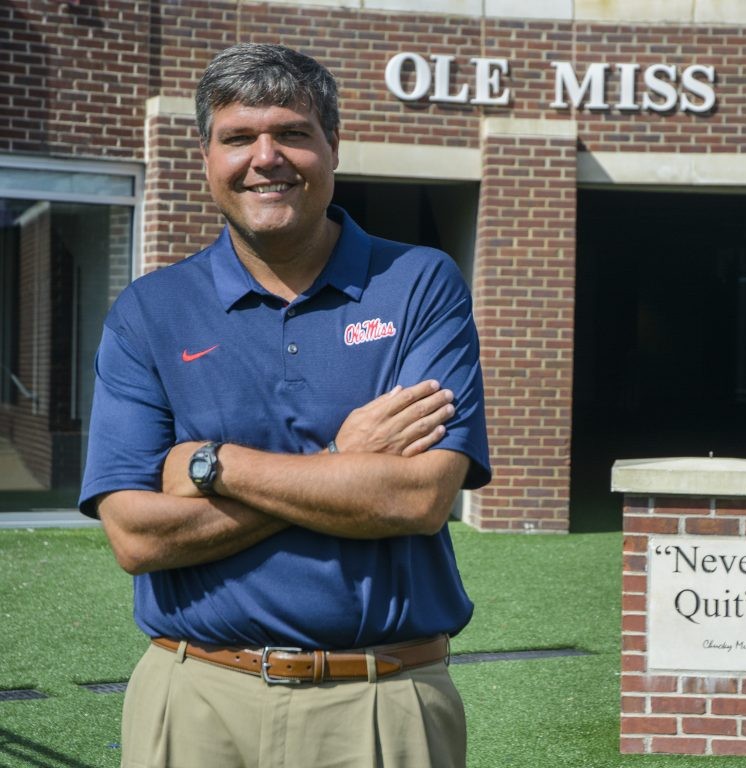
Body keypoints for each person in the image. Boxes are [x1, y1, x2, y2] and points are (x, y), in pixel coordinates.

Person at [79, 43, 490, 768]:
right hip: (195, 695)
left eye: (293, 133)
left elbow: (418, 497)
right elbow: (137, 538)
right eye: (238, 137)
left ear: (333, 146)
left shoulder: (419, 283)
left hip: (381, 697)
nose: (265, 158)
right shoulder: (150, 311)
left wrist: (215, 465)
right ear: (207, 157)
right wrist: (341, 462)